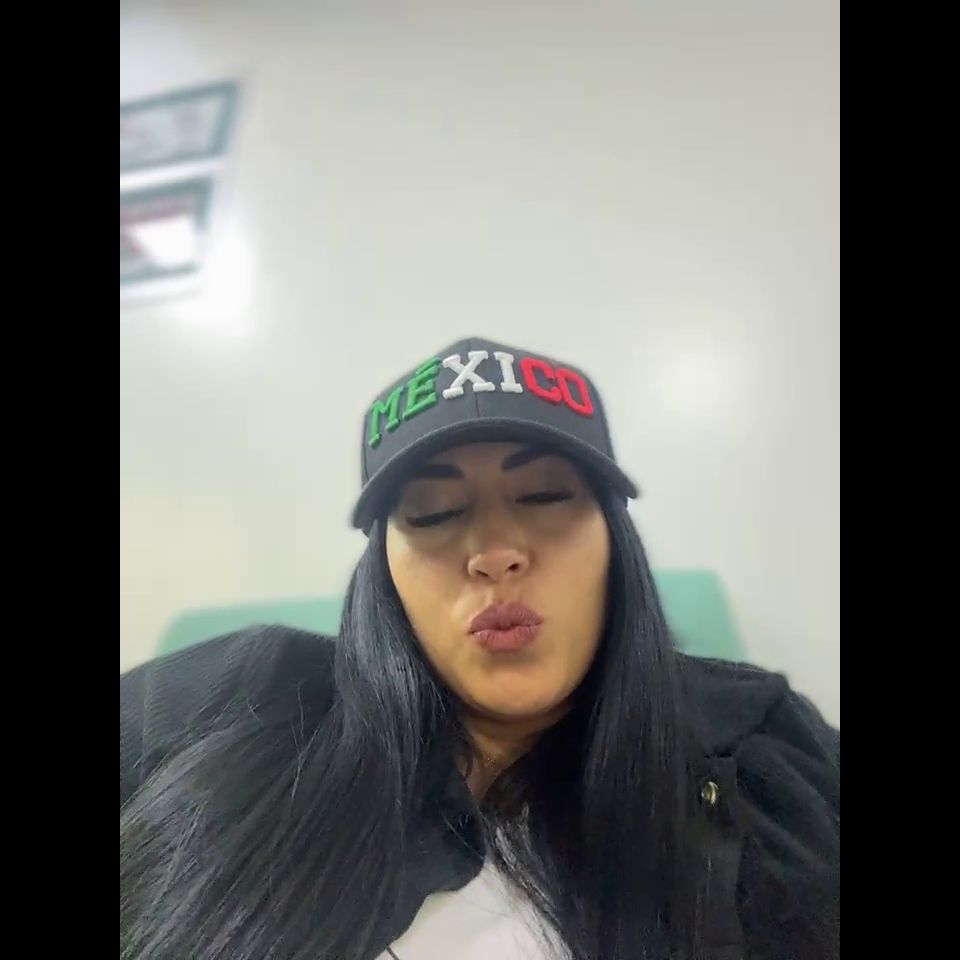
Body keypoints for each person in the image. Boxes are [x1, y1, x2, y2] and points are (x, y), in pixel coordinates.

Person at [120, 336, 840, 960]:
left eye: (545, 496)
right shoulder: (233, 698)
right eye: (433, 512)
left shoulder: (759, 742)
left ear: (614, 538)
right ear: (383, 570)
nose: (494, 552)